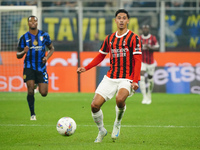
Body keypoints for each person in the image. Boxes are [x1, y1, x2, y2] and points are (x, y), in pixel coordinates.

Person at [77, 9, 142, 143]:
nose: (122, 20)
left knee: (119, 99)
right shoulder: (109, 38)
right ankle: (102, 130)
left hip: (127, 78)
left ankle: (117, 122)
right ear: (115, 21)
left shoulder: (134, 38)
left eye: (124, 18)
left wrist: (135, 80)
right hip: (111, 77)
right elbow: (101, 55)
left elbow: (138, 60)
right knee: (94, 105)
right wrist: (86, 67)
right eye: (119, 18)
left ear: (128, 21)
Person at [16, 16, 54, 120]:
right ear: (28, 23)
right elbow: (18, 55)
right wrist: (24, 51)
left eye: (35, 21)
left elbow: (52, 48)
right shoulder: (23, 38)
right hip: (29, 67)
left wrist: (47, 57)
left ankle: (38, 82)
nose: (33, 22)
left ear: (37, 23)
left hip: (41, 67)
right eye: (31, 21)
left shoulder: (44, 35)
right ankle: (32, 114)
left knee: (44, 93)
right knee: (30, 90)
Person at [139, 25, 159, 104]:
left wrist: (150, 47)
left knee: (150, 79)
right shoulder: (139, 38)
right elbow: (134, 48)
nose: (145, 30)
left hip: (150, 62)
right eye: (144, 28)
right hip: (142, 61)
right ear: (142, 30)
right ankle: (144, 97)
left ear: (149, 30)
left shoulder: (153, 38)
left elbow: (157, 48)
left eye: (146, 28)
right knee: (142, 77)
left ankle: (149, 94)